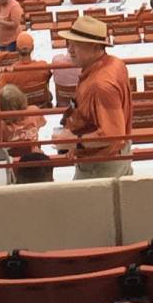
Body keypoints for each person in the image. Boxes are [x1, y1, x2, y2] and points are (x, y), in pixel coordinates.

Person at [59, 14, 133, 179]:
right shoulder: (115, 63)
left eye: (75, 44)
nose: (69, 49)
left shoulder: (100, 85)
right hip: (115, 156)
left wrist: (75, 141)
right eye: (68, 43)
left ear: (93, 46)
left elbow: (113, 134)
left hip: (100, 166)